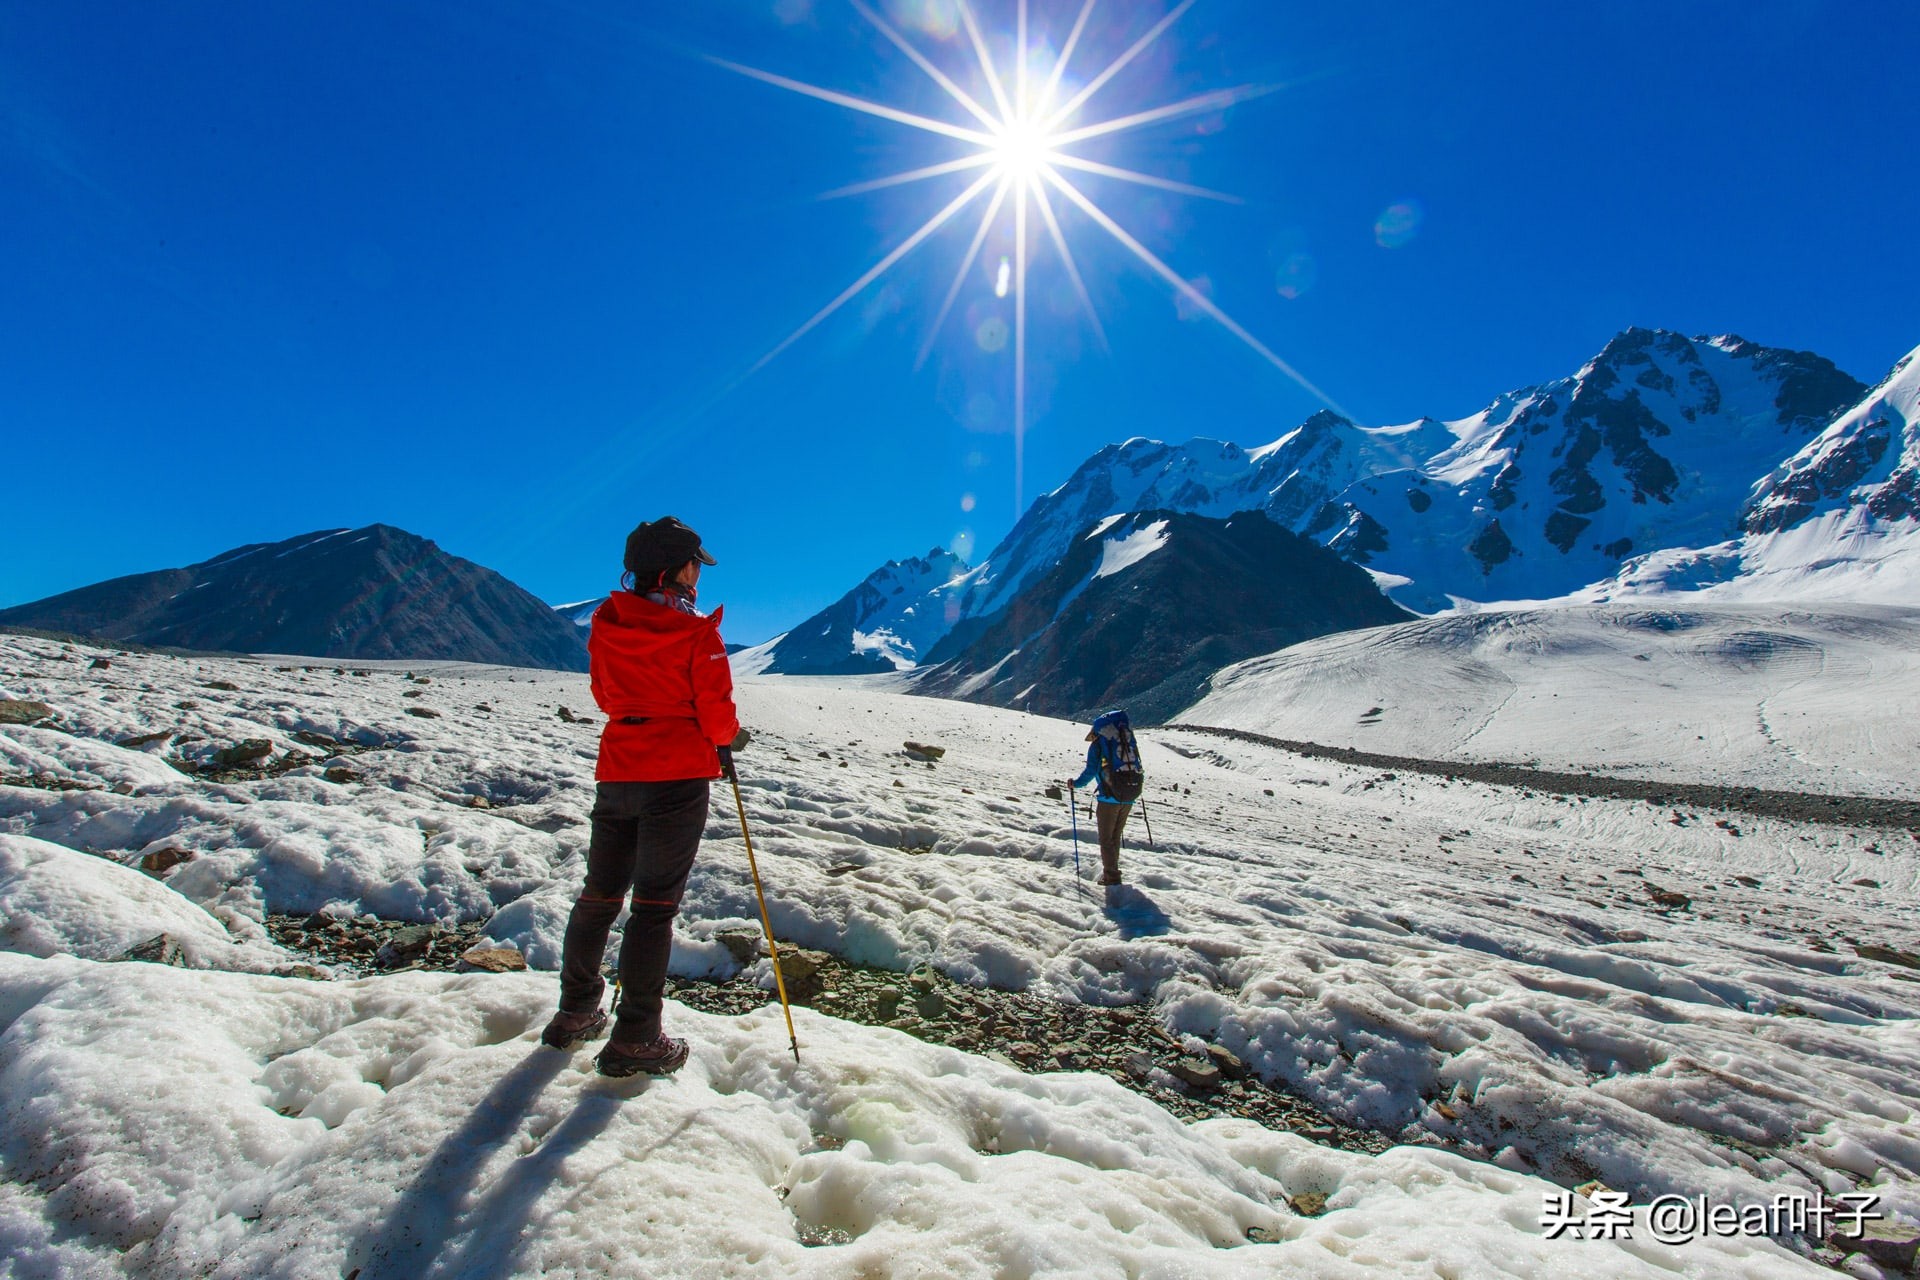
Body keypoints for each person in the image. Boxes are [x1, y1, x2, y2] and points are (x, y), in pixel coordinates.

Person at [542, 515, 746, 1077]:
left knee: (599, 894)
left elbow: (605, 693)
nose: (698, 577)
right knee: (654, 908)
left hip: (619, 768)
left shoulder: (606, 622)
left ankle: (575, 1011)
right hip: (676, 778)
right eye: (694, 566)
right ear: (678, 570)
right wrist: (723, 741)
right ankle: (636, 1037)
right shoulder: (697, 633)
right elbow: (718, 716)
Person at [1068, 711, 1140, 887]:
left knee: (1106, 839)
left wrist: (1075, 784)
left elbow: (1091, 771)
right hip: (1129, 795)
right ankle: (1113, 871)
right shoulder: (1127, 740)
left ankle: (1111, 877)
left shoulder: (1099, 744)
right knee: (1115, 836)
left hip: (1109, 797)